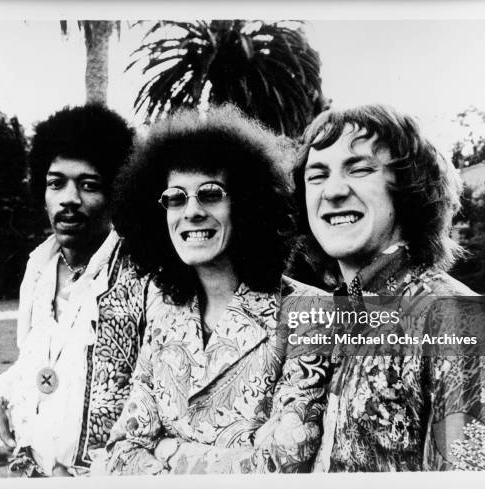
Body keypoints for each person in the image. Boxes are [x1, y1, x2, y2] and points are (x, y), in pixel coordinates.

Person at [96, 105, 330, 475]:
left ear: (248, 204)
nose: (190, 211)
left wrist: (169, 451)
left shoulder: (308, 312)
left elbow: (283, 465)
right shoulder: (164, 315)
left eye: (209, 193)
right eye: (174, 197)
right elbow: (122, 449)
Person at [292, 104, 485, 471]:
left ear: (409, 188)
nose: (332, 191)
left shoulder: (460, 321)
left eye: (359, 169)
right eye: (317, 175)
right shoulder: (338, 317)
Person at [0, 104, 148, 476]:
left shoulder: (144, 275)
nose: (69, 198)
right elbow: (33, 363)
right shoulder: (38, 267)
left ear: (117, 191)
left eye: (89, 184)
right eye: (56, 182)